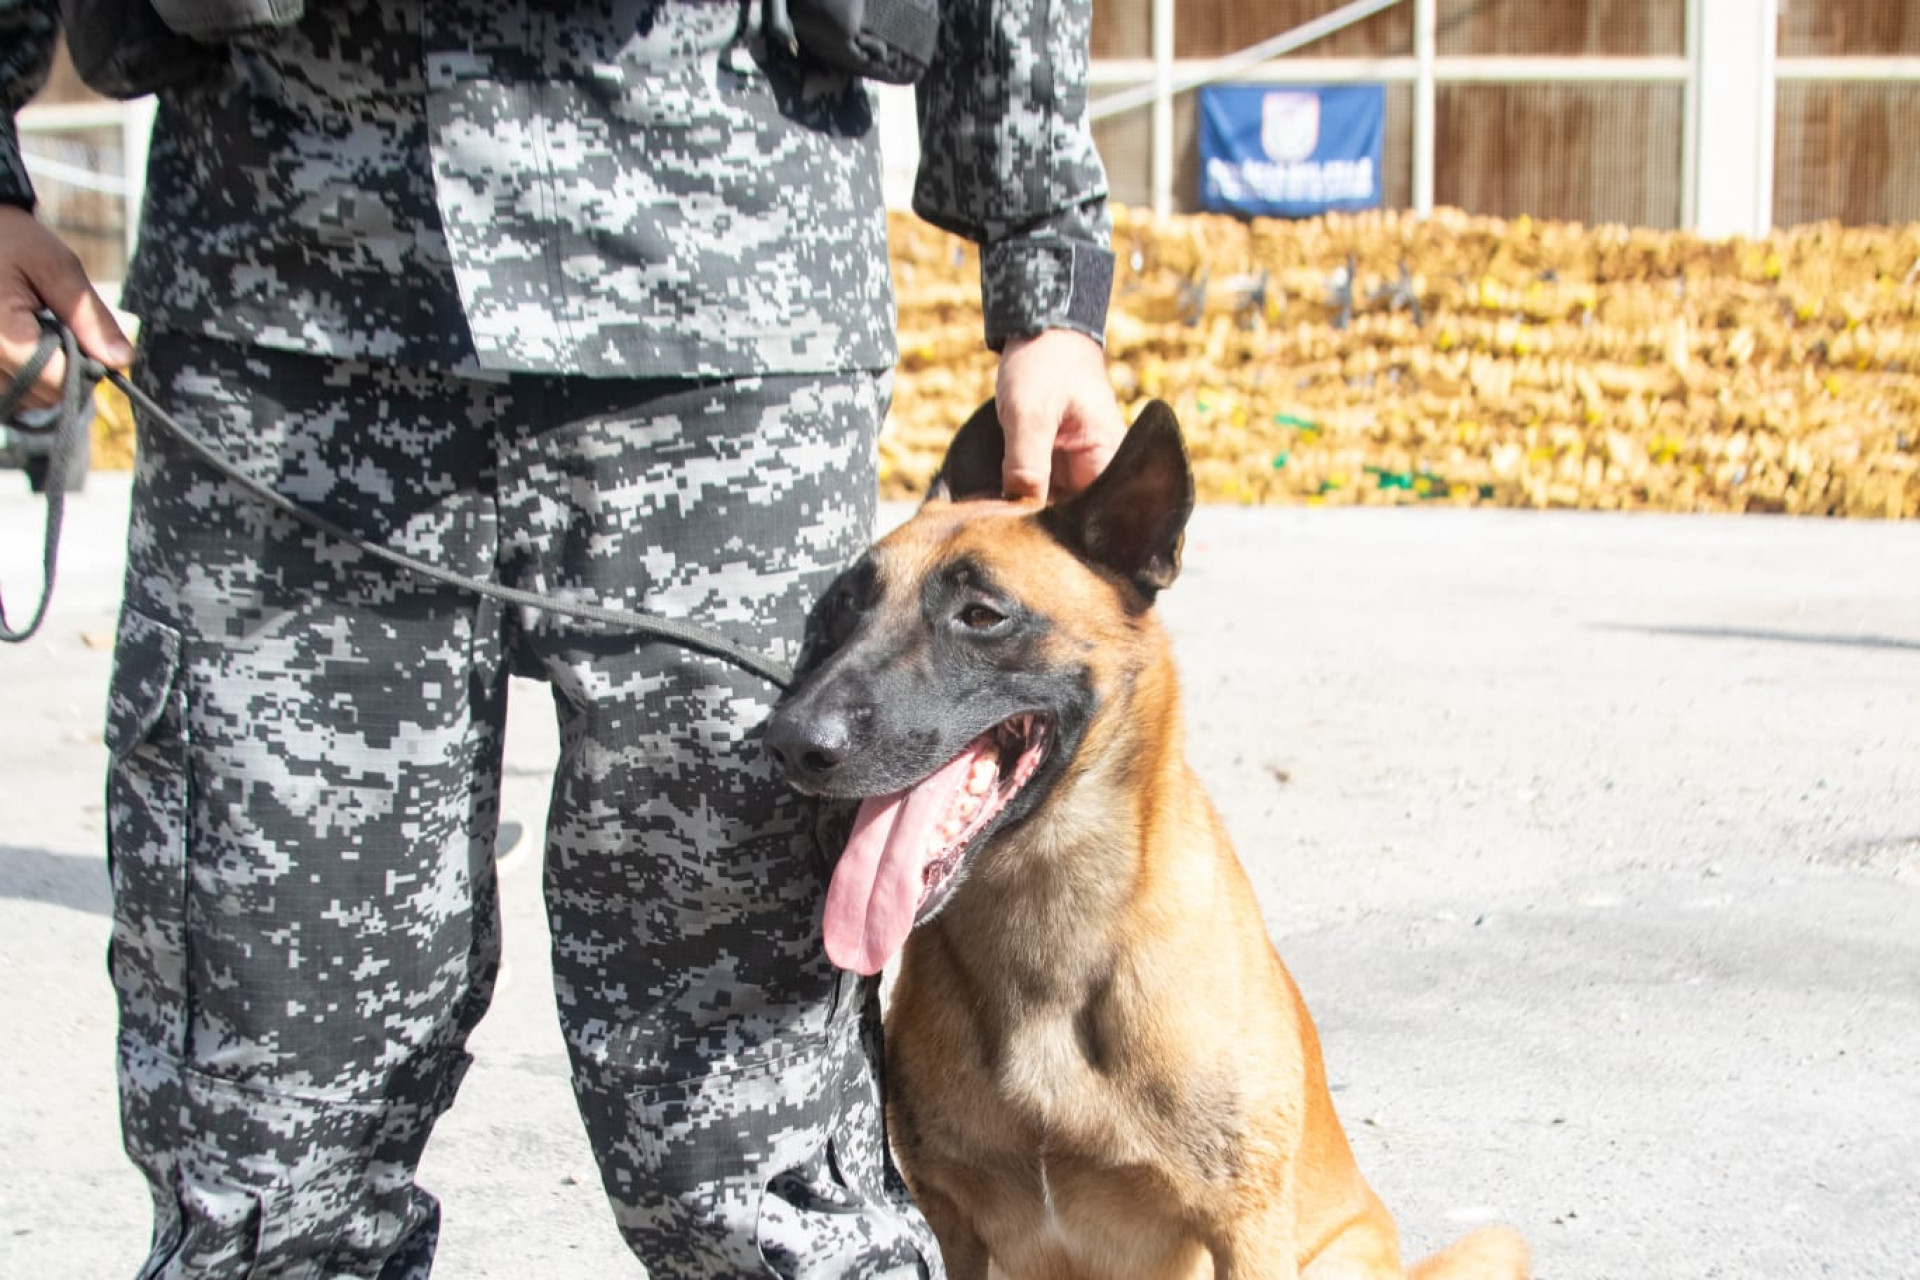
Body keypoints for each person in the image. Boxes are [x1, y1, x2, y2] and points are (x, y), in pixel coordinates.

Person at [0, 0, 1124, 1275]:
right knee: (267, 1122)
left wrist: (1047, 274)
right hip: (290, 296)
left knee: (759, 1144)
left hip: (722, 294)